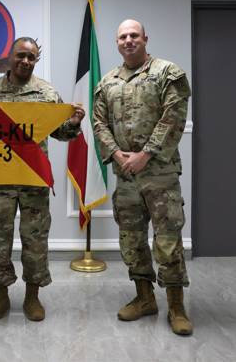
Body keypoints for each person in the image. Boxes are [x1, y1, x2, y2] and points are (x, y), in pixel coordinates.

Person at [0, 37, 85, 321]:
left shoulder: (47, 93)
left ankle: (32, 297)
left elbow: (60, 133)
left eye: (31, 57)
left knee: (35, 240)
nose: (25, 61)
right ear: (10, 57)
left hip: (34, 180)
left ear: (36, 60)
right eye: (21, 55)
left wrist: (72, 123)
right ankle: (0, 296)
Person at [93, 19, 193, 335]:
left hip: (159, 174)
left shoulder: (167, 73)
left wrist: (145, 154)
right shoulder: (107, 81)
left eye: (134, 35)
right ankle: (144, 298)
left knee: (167, 241)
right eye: (122, 36)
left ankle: (176, 306)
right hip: (125, 176)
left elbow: (173, 117)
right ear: (117, 43)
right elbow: (99, 123)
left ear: (145, 38)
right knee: (132, 240)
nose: (128, 40)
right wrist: (118, 154)